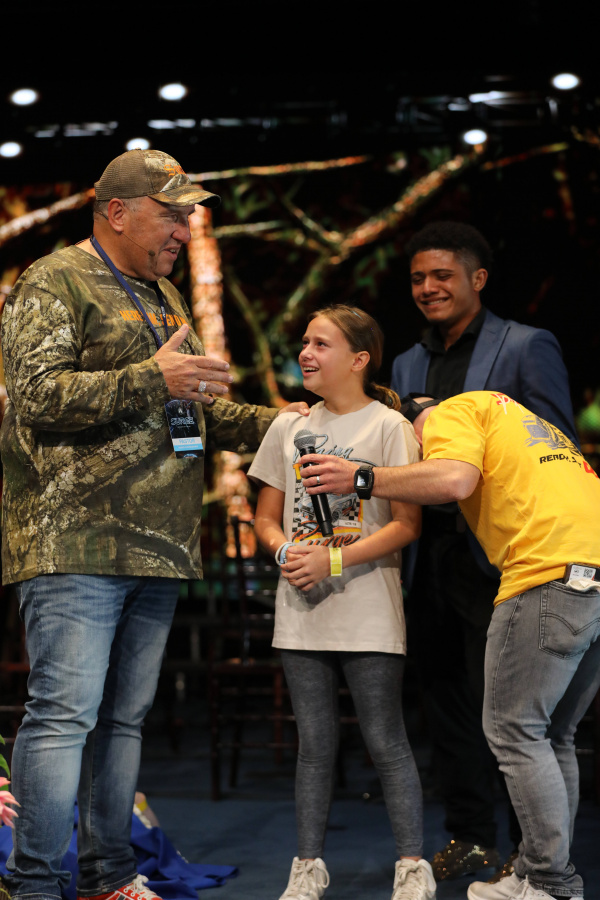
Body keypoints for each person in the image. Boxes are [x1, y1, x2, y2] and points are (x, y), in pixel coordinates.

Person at [0, 148, 307, 900]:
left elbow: (195, 413)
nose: (183, 228)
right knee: (64, 716)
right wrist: (150, 377)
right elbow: (36, 397)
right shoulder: (53, 280)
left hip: (160, 546)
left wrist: (288, 425)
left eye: (187, 214)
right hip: (74, 541)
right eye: (170, 214)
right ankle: (34, 884)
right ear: (117, 212)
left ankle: (109, 874)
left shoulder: (163, 295)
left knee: (123, 722)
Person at [299, 390, 600, 900]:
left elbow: (454, 478)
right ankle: (536, 870)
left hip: (545, 575)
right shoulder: (518, 420)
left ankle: (552, 883)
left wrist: (362, 476)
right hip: (592, 578)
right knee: (554, 737)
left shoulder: (451, 413)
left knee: (516, 732)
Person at [389, 222, 577, 882]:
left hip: (505, 555)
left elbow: (557, 446)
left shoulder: (525, 345)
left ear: (478, 279)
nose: (428, 288)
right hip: (429, 554)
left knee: (516, 717)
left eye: (442, 275)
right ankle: (470, 837)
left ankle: (531, 858)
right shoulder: (405, 363)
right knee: (445, 702)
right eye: (418, 278)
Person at [248, 305, 436, 900]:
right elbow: (265, 518)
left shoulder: (390, 427)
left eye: (320, 344)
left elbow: (407, 525)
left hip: (368, 605)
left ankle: (412, 867)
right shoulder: (289, 426)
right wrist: (285, 553)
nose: (306, 353)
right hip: (301, 605)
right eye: (304, 342)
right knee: (314, 746)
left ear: (359, 359)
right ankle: (307, 868)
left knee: (386, 740)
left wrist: (334, 560)